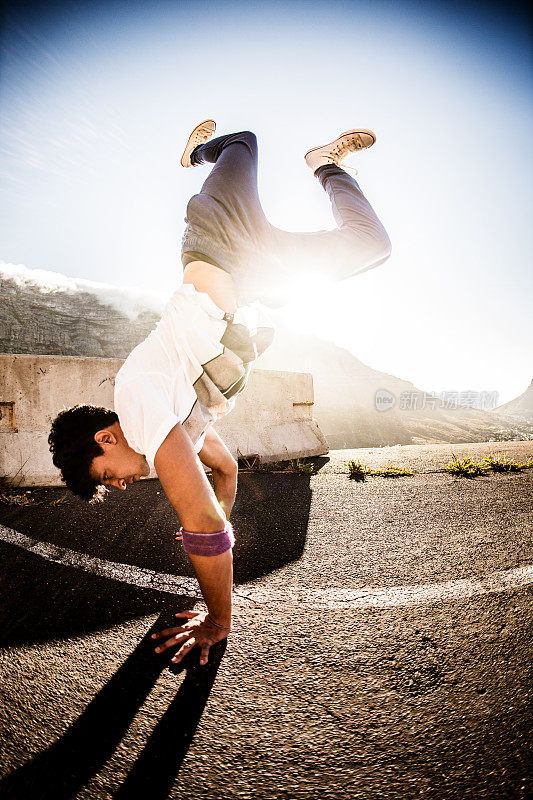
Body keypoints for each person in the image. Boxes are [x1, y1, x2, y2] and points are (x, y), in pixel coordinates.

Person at [48, 120, 391, 667]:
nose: (125, 481)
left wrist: (217, 618)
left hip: (217, 237)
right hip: (256, 272)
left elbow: (203, 523)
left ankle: (195, 154)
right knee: (373, 244)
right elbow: (225, 472)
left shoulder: (138, 404)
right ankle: (328, 165)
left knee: (243, 143)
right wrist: (220, 522)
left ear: (106, 437)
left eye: (108, 473)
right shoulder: (178, 419)